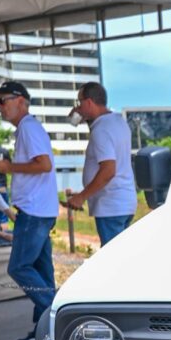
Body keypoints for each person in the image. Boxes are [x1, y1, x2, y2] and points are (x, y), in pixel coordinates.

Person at [0, 80, 59, 340]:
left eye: (3, 100)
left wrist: (8, 166)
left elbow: (43, 164)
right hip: (40, 210)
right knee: (42, 271)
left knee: (18, 267)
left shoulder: (29, 127)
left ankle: (57, 316)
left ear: (20, 100)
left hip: (34, 211)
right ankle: (46, 332)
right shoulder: (28, 129)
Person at [64, 82, 137, 245]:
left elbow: (108, 170)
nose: (78, 107)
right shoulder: (118, 122)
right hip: (123, 202)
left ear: (89, 102)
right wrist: (85, 120)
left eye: (79, 102)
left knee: (114, 261)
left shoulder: (101, 130)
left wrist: (81, 197)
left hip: (110, 205)